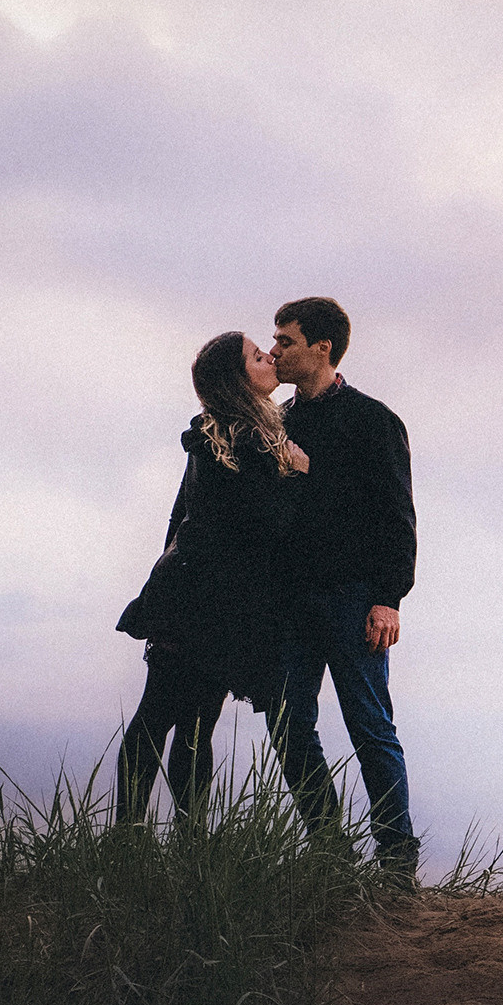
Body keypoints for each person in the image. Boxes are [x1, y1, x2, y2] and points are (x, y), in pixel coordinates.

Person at [114, 331, 309, 823]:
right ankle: (133, 834)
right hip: (198, 603)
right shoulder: (227, 438)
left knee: (194, 722)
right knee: (161, 716)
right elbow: (264, 523)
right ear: (237, 379)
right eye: (257, 356)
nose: (269, 358)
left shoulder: (240, 434)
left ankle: (184, 838)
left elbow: (184, 519)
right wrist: (298, 474)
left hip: (215, 603)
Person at [266, 296, 419, 881]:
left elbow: (397, 518)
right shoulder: (276, 423)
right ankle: (331, 852)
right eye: (276, 342)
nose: (276, 351)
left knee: (371, 728)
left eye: (286, 341)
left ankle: (397, 865)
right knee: (287, 725)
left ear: (321, 348)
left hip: (355, 599)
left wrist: (389, 598)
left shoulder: (374, 420)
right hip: (289, 602)